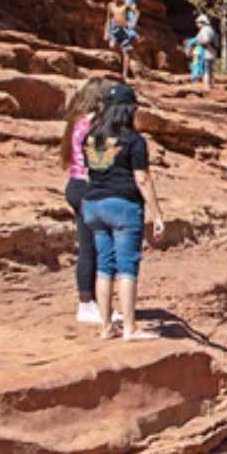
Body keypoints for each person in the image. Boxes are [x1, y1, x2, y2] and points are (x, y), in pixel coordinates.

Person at [80, 83, 165, 341]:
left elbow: (90, 170)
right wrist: (157, 213)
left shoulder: (91, 137)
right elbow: (142, 179)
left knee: (104, 266)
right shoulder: (133, 140)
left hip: (93, 205)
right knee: (127, 266)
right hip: (123, 206)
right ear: (130, 110)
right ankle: (129, 327)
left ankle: (106, 326)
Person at [62, 78, 112, 326]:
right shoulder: (96, 124)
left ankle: (90, 302)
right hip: (89, 188)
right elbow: (100, 161)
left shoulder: (78, 121)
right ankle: (88, 304)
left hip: (75, 184)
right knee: (94, 248)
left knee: (89, 246)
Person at [105, 0, 139, 81]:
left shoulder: (126, 6)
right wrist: (107, 32)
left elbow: (136, 13)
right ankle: (125, 64)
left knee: (126, 52)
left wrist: (133, 24)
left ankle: (124, 74)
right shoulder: (112, 6)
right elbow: (109, 19)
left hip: (125, 31)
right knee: (113, 46)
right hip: (116, 30)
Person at [189, 14, 217, 91]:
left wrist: (196, 43)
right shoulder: (211, 29)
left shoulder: (204, 30)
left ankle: (206, 87)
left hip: (206, 53)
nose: (197, 24)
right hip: (212, 53)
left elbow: (206, 40)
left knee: (206, 70)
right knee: (211, 71)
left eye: (198, 23)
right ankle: (212, 85)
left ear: (202, 22)